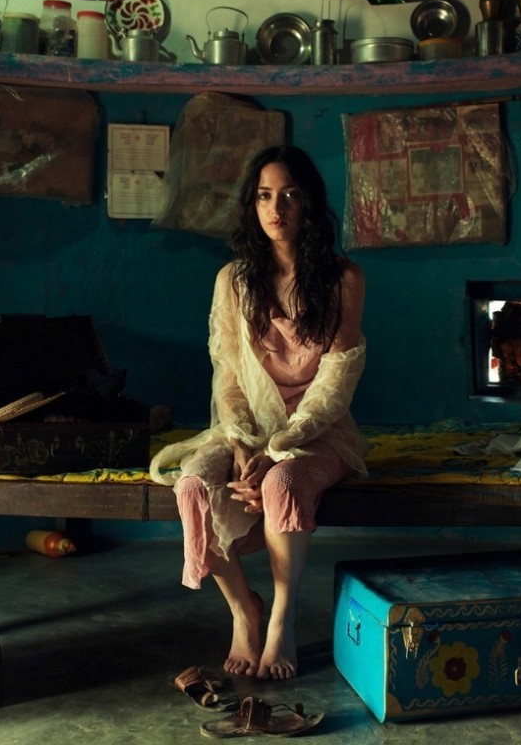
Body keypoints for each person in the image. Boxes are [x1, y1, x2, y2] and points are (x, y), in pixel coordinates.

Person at [150, 145, 367, 681]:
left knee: (282, 484)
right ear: (253, 205)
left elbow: (336, 381)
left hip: (316, 431)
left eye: (290, 195)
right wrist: (242, 440)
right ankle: (244, 608)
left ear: (308, 203)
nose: (277, 208)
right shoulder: (234, 280)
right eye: (265, 196)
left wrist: (279, 449)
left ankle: (282, 620)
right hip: (247, 429)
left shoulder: (342, 279)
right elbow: (226, 371)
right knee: (193, 486)